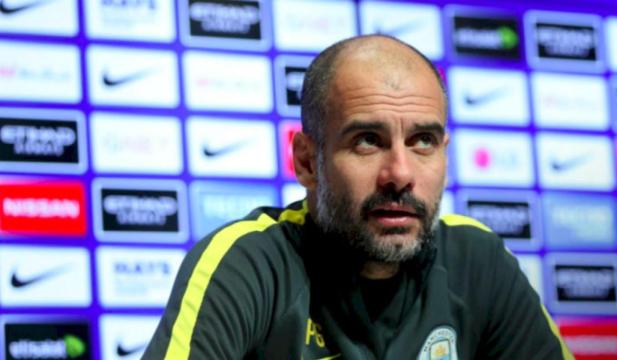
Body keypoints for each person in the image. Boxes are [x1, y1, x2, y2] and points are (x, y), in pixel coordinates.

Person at [142, 35, 573, 359]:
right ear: (308, 162)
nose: (400, 175)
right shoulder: (250, 263)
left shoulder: (476, 261)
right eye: (367, 140)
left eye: (422, 140)